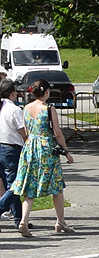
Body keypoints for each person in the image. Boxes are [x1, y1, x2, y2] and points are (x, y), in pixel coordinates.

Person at [11, 80, 75, 237]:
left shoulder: (26, 108)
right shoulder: (48, 109)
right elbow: (57, 132)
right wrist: (66, 151)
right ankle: (60, 221)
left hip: (30, 147)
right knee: (56, 186)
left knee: (30, 187)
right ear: (46, 92)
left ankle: (23, 221)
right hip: (46, 148)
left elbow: (26, 130)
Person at [0, 74, 28, 227]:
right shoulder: (14, 109)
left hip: (2, 147)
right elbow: (23, 133)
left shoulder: (2, 106)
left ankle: (18, 219)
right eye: (16, 91)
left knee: (9, 183)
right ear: (12, 92)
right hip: (11, 149)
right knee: (15, 185)